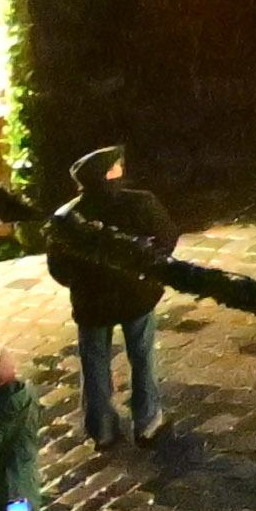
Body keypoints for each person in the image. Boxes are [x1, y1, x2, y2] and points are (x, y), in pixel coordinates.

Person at [44, 140, 171, 447]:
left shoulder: (65, 217)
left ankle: (101, 429)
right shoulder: (140, 202)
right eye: (117, 165)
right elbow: (166, 239)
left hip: (91, 303)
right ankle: (147, 422)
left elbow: (58, 267)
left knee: (94, 362)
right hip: (137, 295)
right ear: (109, 173)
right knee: (142, 357)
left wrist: (82, 283)